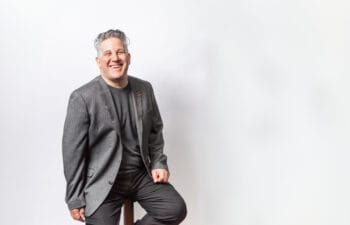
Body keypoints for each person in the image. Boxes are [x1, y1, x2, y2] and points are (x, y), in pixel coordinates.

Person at [62, 29, 187, 225]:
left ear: (128, 57)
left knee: (175, 209)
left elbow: (155, 132)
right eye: (108, 54)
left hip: (140, 175)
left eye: (120, 52)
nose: (115, 58)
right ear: (98, 62)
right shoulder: (83, 97)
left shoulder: (144, 89)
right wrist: (74, 198)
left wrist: (158, 163)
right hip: (103, 182)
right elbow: (73, 154)